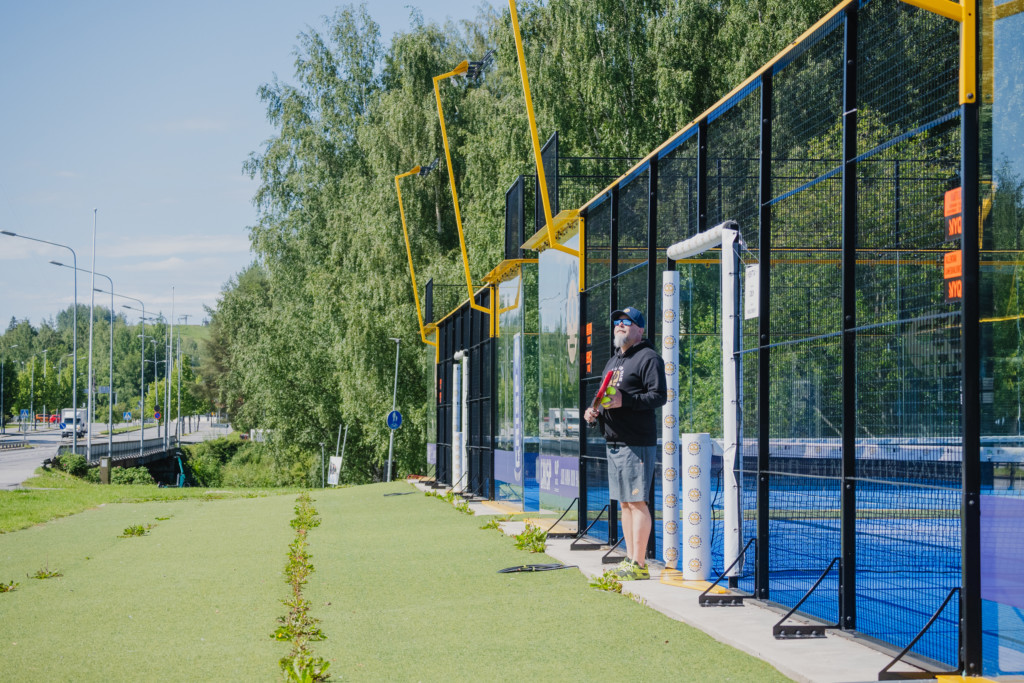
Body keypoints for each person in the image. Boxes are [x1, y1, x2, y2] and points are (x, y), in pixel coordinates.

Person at [584, 306, 666, 580]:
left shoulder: (649, 358)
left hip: (635, 442)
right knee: (625, 503)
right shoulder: (614, 361)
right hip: (614, 441)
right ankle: (630, 559)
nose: (620, 325)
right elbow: (606, 395)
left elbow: (659, 397)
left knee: (637, 502)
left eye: (627, 322)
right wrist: (593, 411)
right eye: (617, 321)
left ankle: (639, 565)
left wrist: (626, 401)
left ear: (640, 329)